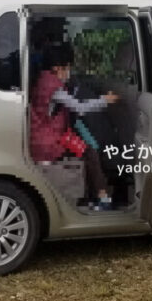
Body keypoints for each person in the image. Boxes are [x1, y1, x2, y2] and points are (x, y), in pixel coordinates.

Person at [30, 43, 119, 210]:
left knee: (88, 150)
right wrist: (104, 100)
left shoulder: (42, 80)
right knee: (89, 152)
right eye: (68, 68)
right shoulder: (54, 88)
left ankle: (95, 196)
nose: (69, 73)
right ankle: (102, 198)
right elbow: (80, 107)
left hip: (43, 136)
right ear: (57, 68)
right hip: (48, 142)